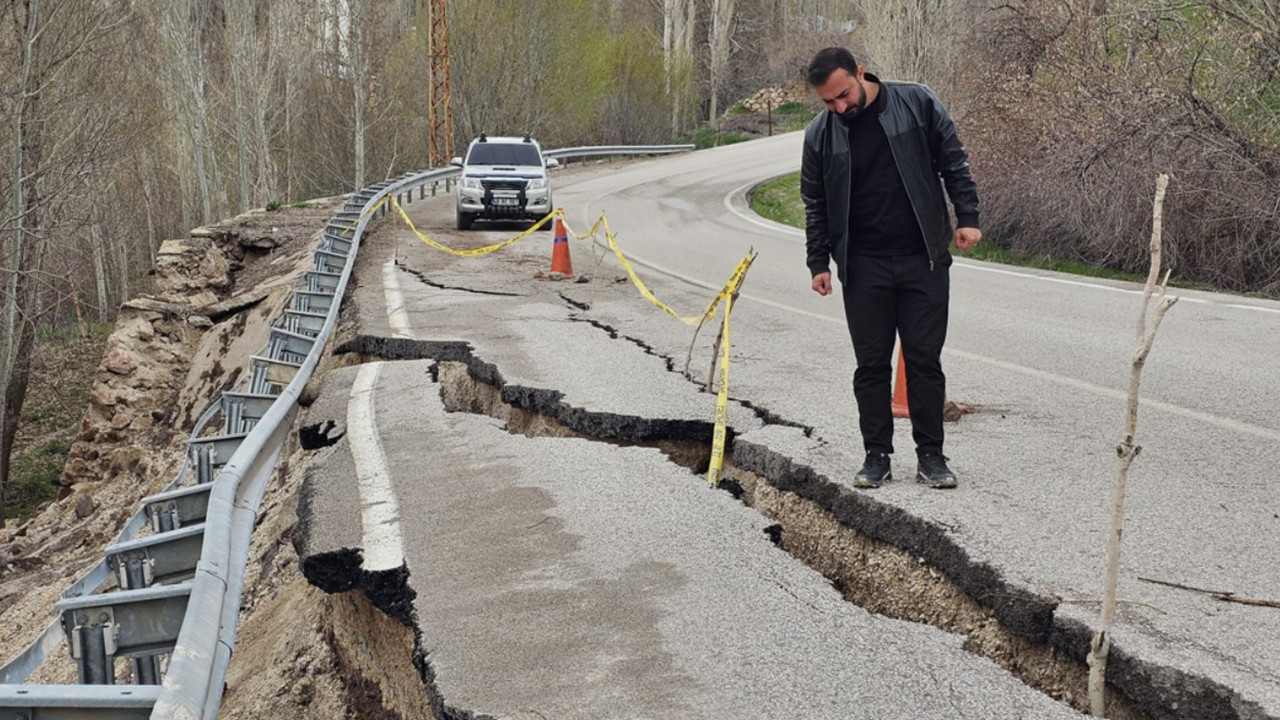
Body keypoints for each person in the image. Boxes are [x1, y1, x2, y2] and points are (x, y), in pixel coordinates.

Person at [801, 47, 981, 490]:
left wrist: (968, 216)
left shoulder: (916, 102)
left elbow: (953, 160)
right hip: (863, 267)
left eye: (844, 94)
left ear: (860, 73)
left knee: (924, 362)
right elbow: (815, 203)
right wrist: (818, 261)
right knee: (871, 366)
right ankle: (876, 456)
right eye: (828, 101)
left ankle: (931, 457)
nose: (839, 107)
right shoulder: (819, 135)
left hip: (923, 259)